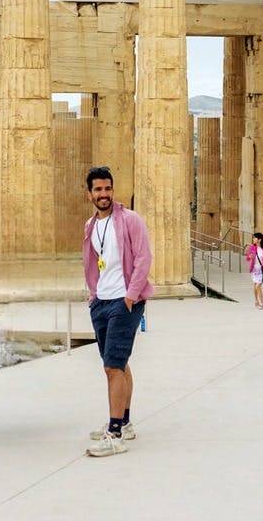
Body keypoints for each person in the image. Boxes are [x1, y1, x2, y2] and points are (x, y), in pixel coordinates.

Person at [82, 166, 153, 458]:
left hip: (125, 302)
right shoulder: (91, 225)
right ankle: (124, 422)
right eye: (98, 189)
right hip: (101, 301)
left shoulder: (130, 220)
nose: (104, 194)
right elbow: (92, 262)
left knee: (112, 366)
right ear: (89, 194)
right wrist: (93, 296)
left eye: (108, 188)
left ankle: (114, 434)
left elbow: (143, 258)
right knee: (119, 364)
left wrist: (130, 296)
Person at [245, 232, 263, 309]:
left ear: (259, 239)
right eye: (253, 238)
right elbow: (247, 258)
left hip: (262, 270)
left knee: (258, 286)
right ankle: (256, 301)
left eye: (254, 238)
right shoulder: (252, 247)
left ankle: (261, 303)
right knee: (255, 286)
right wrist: (250, 257)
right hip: (254, 270)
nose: (253, 239)